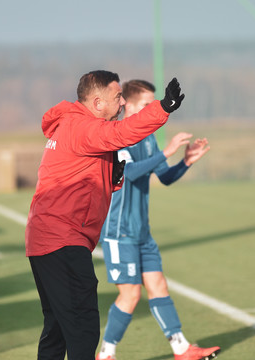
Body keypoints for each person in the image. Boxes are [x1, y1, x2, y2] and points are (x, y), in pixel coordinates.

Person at [25, 70, 185, 360]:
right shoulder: (82, 126)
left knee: (58, 328)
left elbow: (83, 178)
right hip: (63, 240)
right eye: (117, 97)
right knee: (83, 327)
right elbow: (122, 134)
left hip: (46, 240)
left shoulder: (73, 124)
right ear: (98, 103)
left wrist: (113, 178)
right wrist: (162, 108)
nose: (123, 102)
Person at [96, 80, 220, 360]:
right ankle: (105, 354)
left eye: (155, 103)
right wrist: (166, 152)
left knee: (159, 286)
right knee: (130, 295)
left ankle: (182, 348)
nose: (153, 108)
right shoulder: (117, 136)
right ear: (126, 104)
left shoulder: (149, 137)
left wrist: (185, 161)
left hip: (142, 232)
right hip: (119, 232)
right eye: (146, 104)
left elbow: (163, 177)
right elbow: (129, 173)